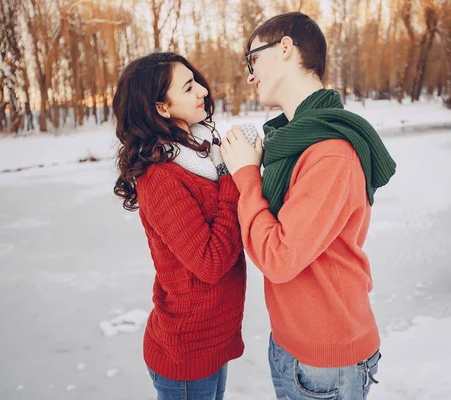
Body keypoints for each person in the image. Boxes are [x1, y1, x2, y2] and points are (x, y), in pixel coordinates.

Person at [220, 12, 396, 400]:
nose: (250, 76)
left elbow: (279, 257)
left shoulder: (331, 152)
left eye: (253, 60)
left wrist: (247, 175)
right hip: (291, 346)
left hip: (327, 360)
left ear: (284, 48)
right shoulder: (292, 141)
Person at [112, 52, 246, 400]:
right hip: (186, 349)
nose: (203, 90)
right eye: (188, 87)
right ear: (162, 108)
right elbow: (211, 263)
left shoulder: (205, 152)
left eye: (196, 81)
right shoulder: (161, 177)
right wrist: (232, 174)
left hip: (212, 338)